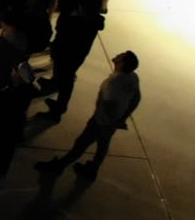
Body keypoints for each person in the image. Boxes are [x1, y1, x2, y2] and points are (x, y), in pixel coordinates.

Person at [36, 50, 142, 180]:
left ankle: (59, 166)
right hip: (113, 122)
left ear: (122, 63)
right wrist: (121, 118)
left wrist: (108, 121)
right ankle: (92, 169)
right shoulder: (133, 77)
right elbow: (136, 98)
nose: (118, 54)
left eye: (122, 55)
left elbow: (109, 103)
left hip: (100, 122)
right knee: (102, 146)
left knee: (81, 144)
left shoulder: (113, 83)